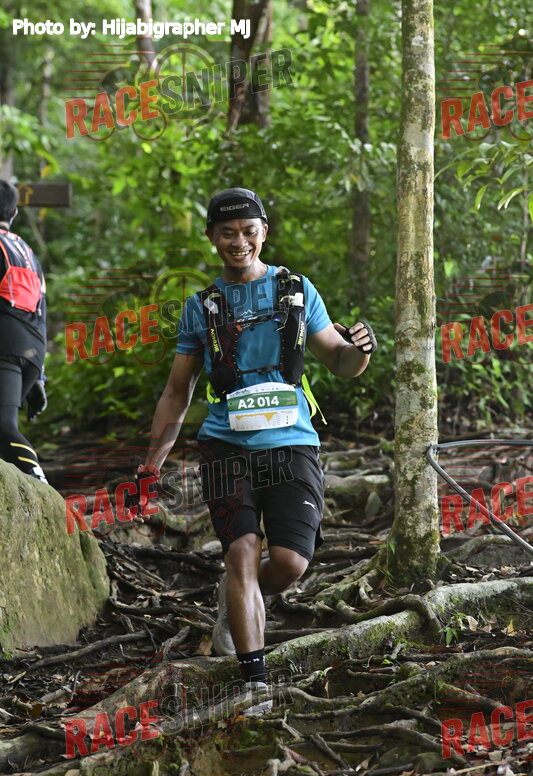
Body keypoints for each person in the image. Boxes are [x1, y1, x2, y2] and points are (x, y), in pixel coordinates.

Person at [130, 187, 376, 713]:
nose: (238, 241)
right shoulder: (201, 308)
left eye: (248, 231)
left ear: (264, 232)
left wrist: (362, 350)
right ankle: (254, 684)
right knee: (240, 551)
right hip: (225, 445)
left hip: (292, 440)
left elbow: (340, 361)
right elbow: (177, 391)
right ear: (212, 237)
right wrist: (151, 466)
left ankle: (236, 598)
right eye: (227, 233)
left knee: (288, 563)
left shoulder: (296, 290)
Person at [0, 180, 48, 483]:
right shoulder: (29, 252)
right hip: (32, 350)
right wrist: (39, 377)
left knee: (4, 427)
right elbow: (42, 311)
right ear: (15, 212)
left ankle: (42, 487)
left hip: (5, 346)